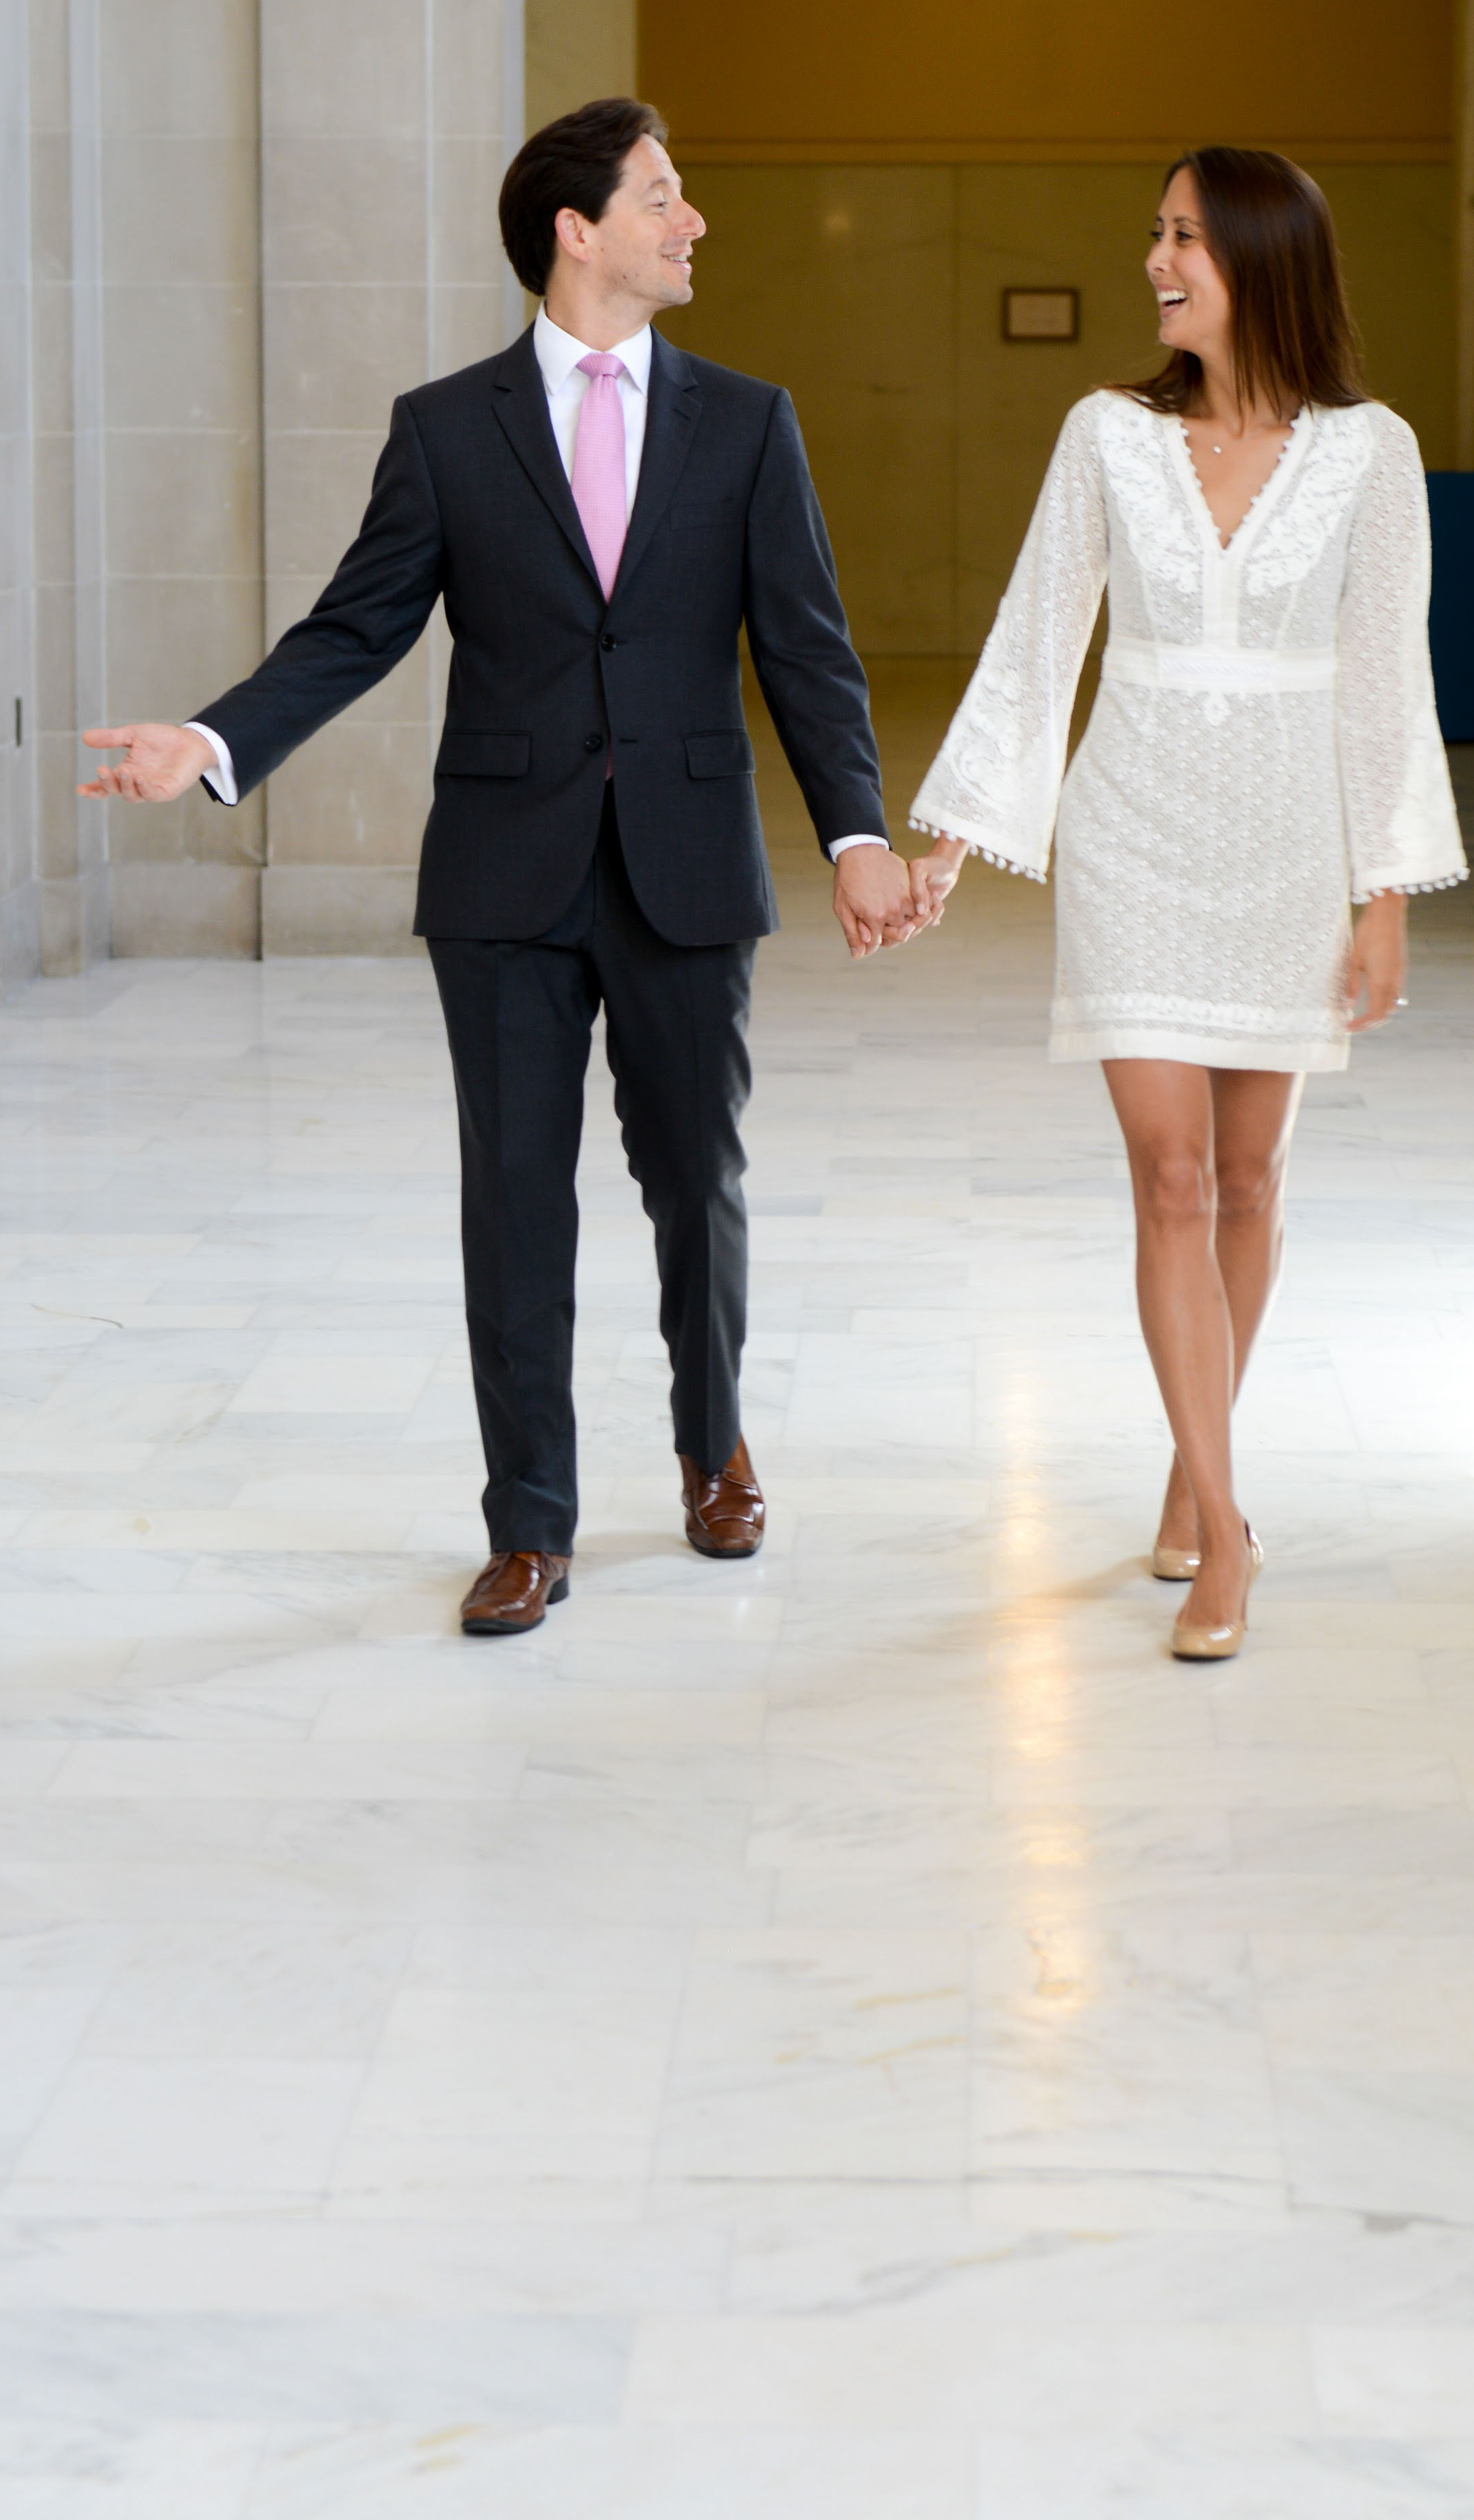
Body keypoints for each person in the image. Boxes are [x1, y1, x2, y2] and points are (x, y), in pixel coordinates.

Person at [81, 99, 924, 1636]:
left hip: (683, 864)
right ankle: (529, 1522)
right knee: (515, 1200)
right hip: (502, 876)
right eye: (664, 197)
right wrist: (207, 742)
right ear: (575, 230)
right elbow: (358, 627)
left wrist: (855, 834)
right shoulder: (445, 427)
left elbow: (808, 651)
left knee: (694, 1182)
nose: (693, 224)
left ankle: (708, 1442)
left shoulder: (745, 422)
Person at [908, 146, 1467, 1662]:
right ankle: (1225, 1531)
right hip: (1134, 833)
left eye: (1185, 241)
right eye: (1152, 233)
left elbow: (1385, 678)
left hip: (1288, 845)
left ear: (1262, 264)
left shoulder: (1370, 452)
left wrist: (1384, 894)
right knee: (1164, 1177)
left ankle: (1187, 1454)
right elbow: (1037, 636)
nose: (1156, 261)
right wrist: (951, 841)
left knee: (1247, 1181)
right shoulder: (1104, 435)